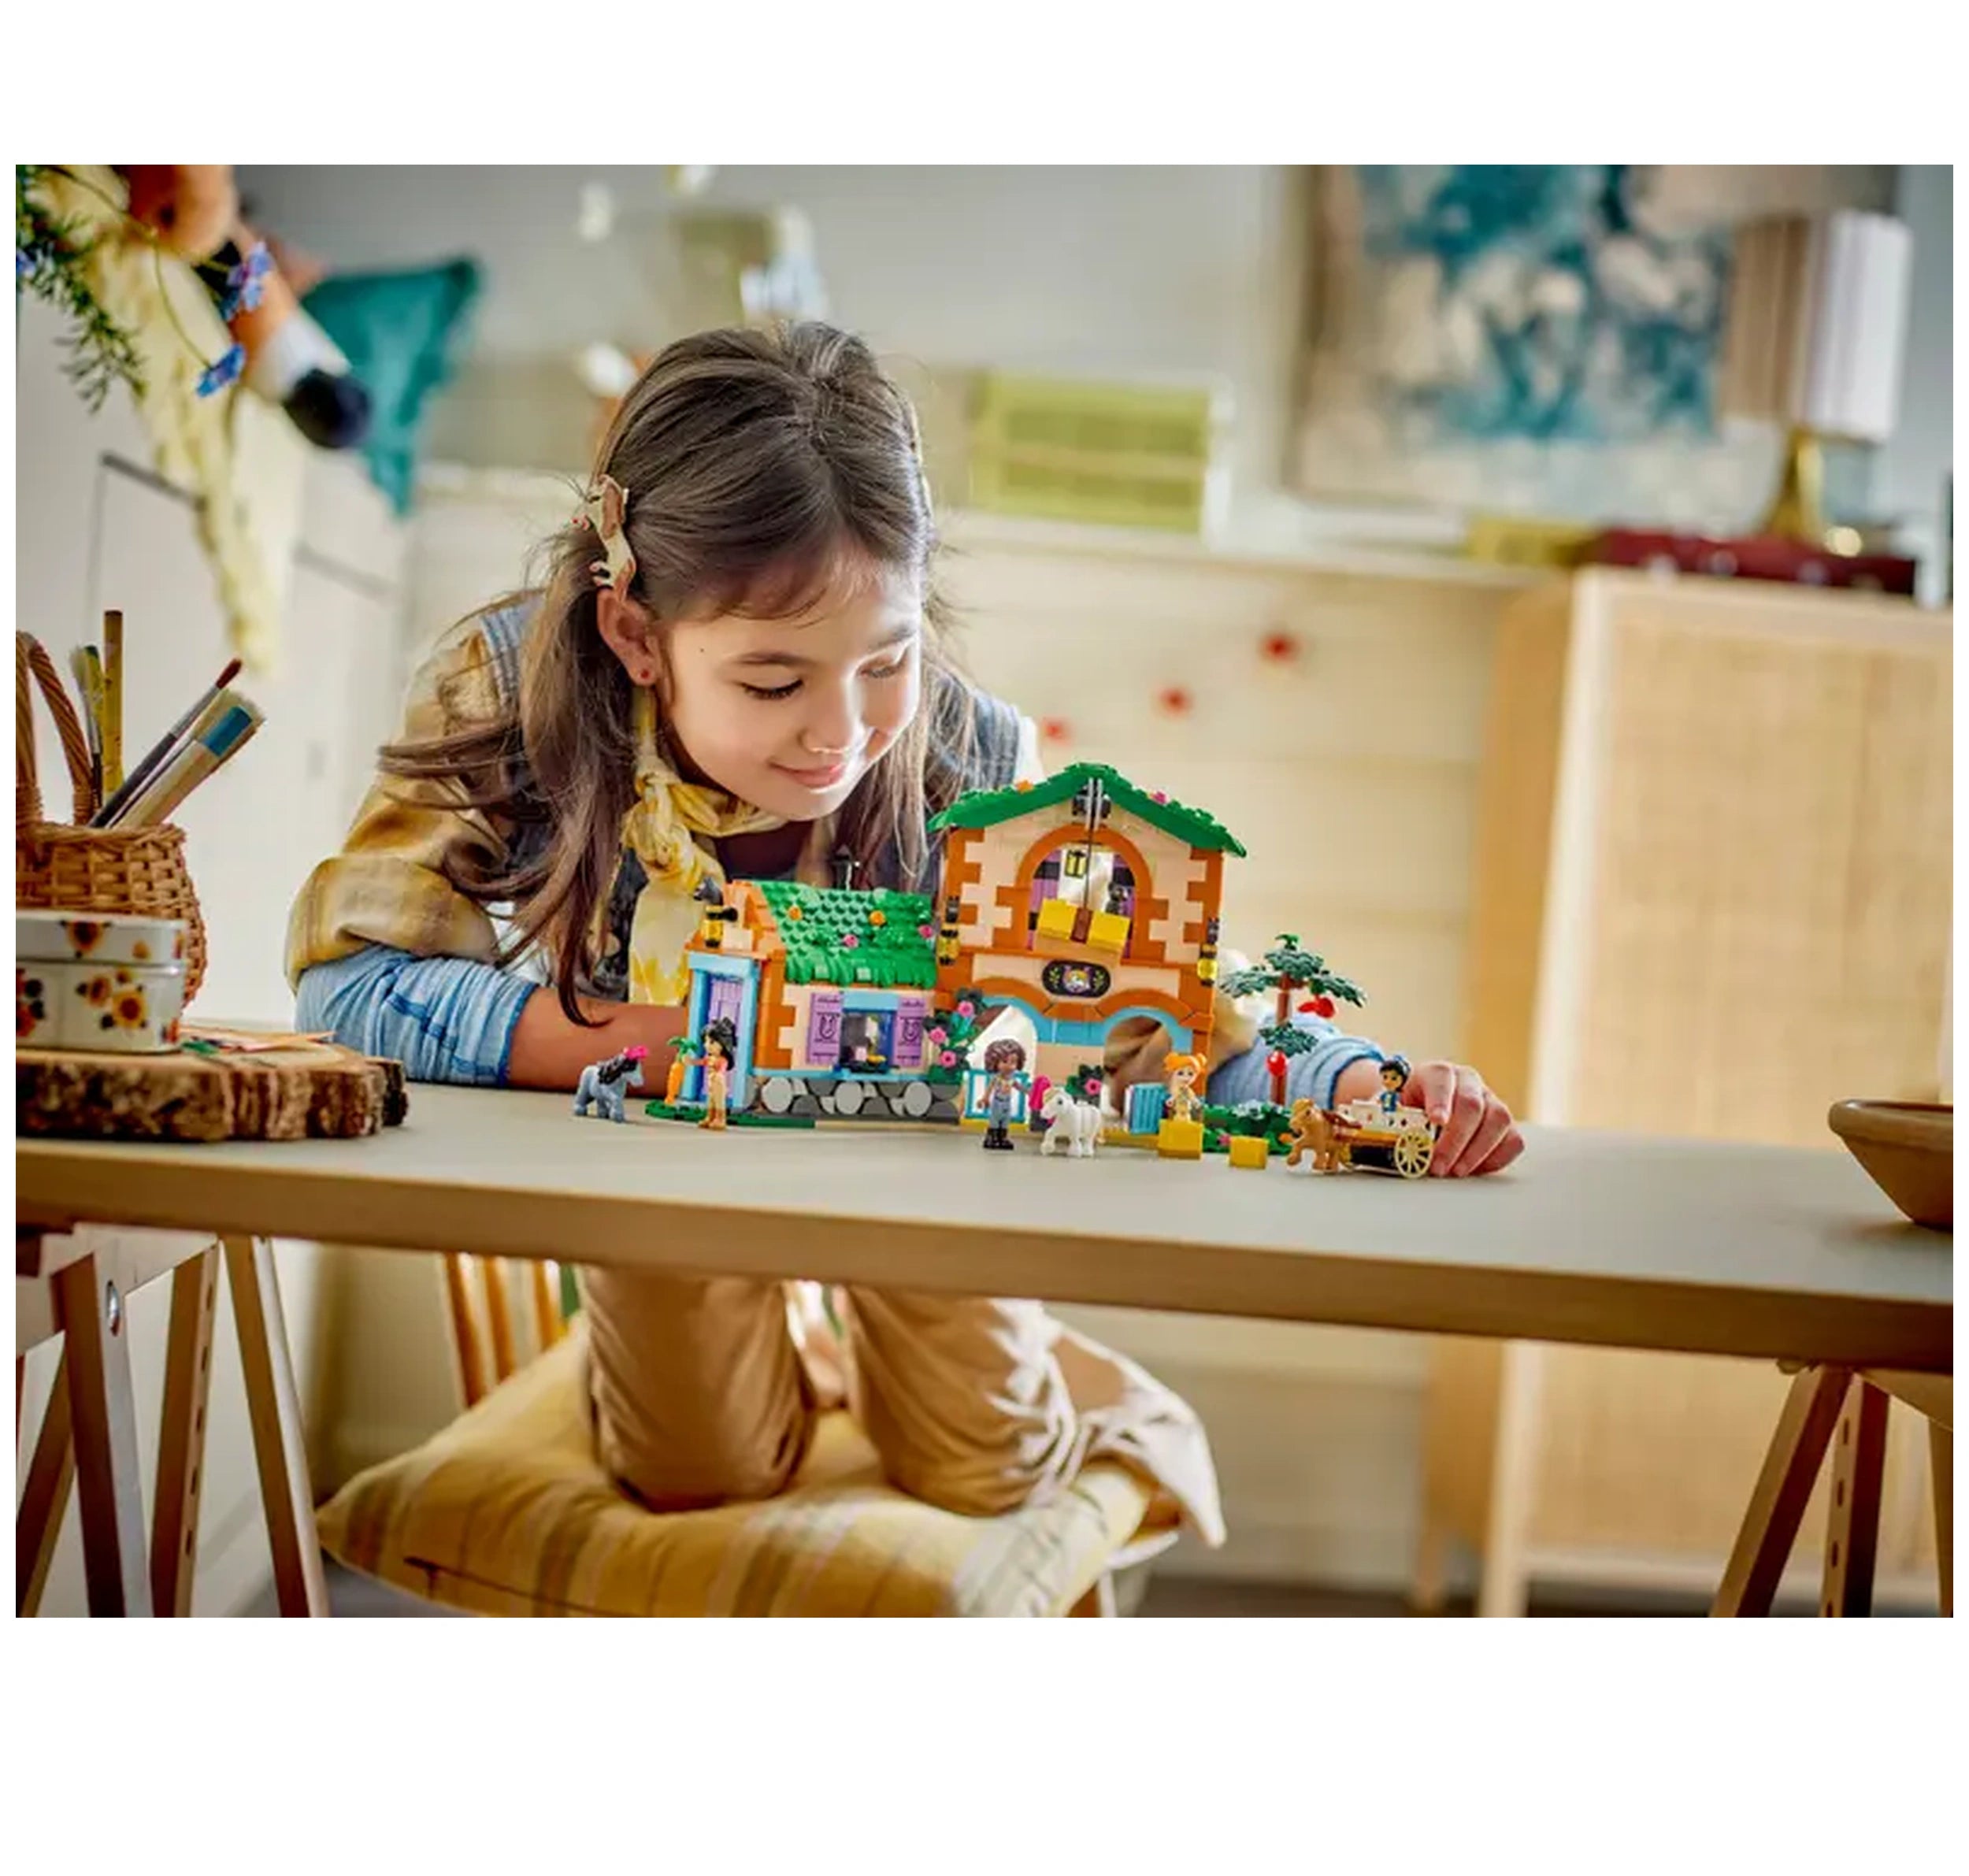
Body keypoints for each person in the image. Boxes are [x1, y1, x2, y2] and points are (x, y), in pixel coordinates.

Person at [285, 321, 1520, 1551]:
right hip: (662, 1182)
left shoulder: (971, 759)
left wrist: (1348, 1081)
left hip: (919, 1187)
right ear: (639, 638)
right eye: (773, 683)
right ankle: (800, 1360)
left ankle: (1051, 1391)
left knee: (991, 1472)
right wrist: (674, 1045)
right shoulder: (513, 687)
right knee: (690, 1479)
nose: (840, 733)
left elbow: (1152, 1016)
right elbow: (354, 986)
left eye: (889, 662)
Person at [977, 1036, 1025, 1151]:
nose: (1009, 1066)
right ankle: (991, 1137)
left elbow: (1019, 1087)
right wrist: (985, 1099)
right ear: (995, 1062)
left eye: (1013, 1062)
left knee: (1005, 1121)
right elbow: (989, 1088)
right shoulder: (996, 1078)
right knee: (994, 1120)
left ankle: (1002, 1138)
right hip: (997, 1103)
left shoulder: (1012, 1079)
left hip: (1007, 1104)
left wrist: (1029, 1092)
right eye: (1004, 1062)